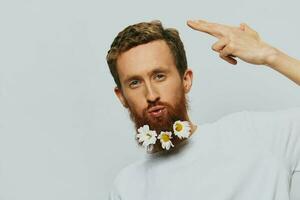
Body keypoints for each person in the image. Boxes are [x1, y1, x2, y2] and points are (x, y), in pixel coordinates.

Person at [106, 19, 300, 200]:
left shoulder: (255, 136)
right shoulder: (127, 187)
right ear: (121, 96)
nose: (151, 95)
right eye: (134, 83)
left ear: (186, 80)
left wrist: (271, 56)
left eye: (159, 76)